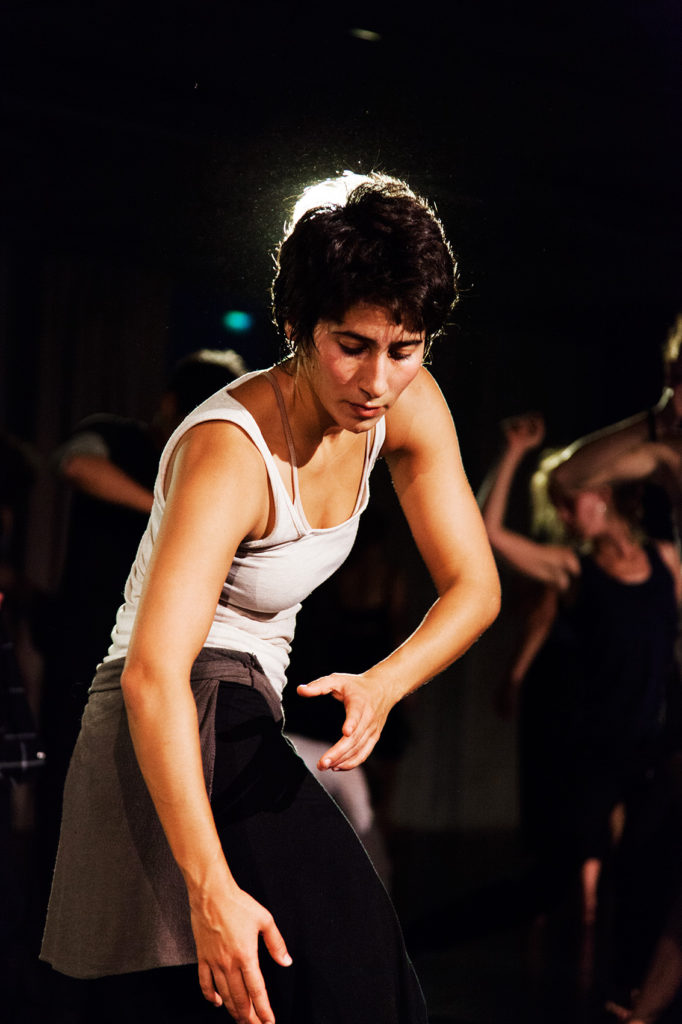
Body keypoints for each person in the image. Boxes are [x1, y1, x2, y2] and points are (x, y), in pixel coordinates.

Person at [40, 171, 500, 1024]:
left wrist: (385, 683)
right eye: (352, 345)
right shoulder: (229, 450)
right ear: (295, 326)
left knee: (322, 989)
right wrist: (210, 888)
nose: (378, 380)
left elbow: (475, 587)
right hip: (170, 714)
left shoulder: (406, 407)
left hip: (244, 707)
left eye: (405, 349)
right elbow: (152, 675)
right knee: (350, 978)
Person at [481, 412, 681, 925]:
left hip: (653, 740)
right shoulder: (572, 568)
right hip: (596, 742)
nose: (564, 517)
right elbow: (490, 533)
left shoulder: (664, 560)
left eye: (569, 503)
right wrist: (514, 454)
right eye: (559, 508)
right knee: (584, 877)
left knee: (641, 873)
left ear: (603, 493)